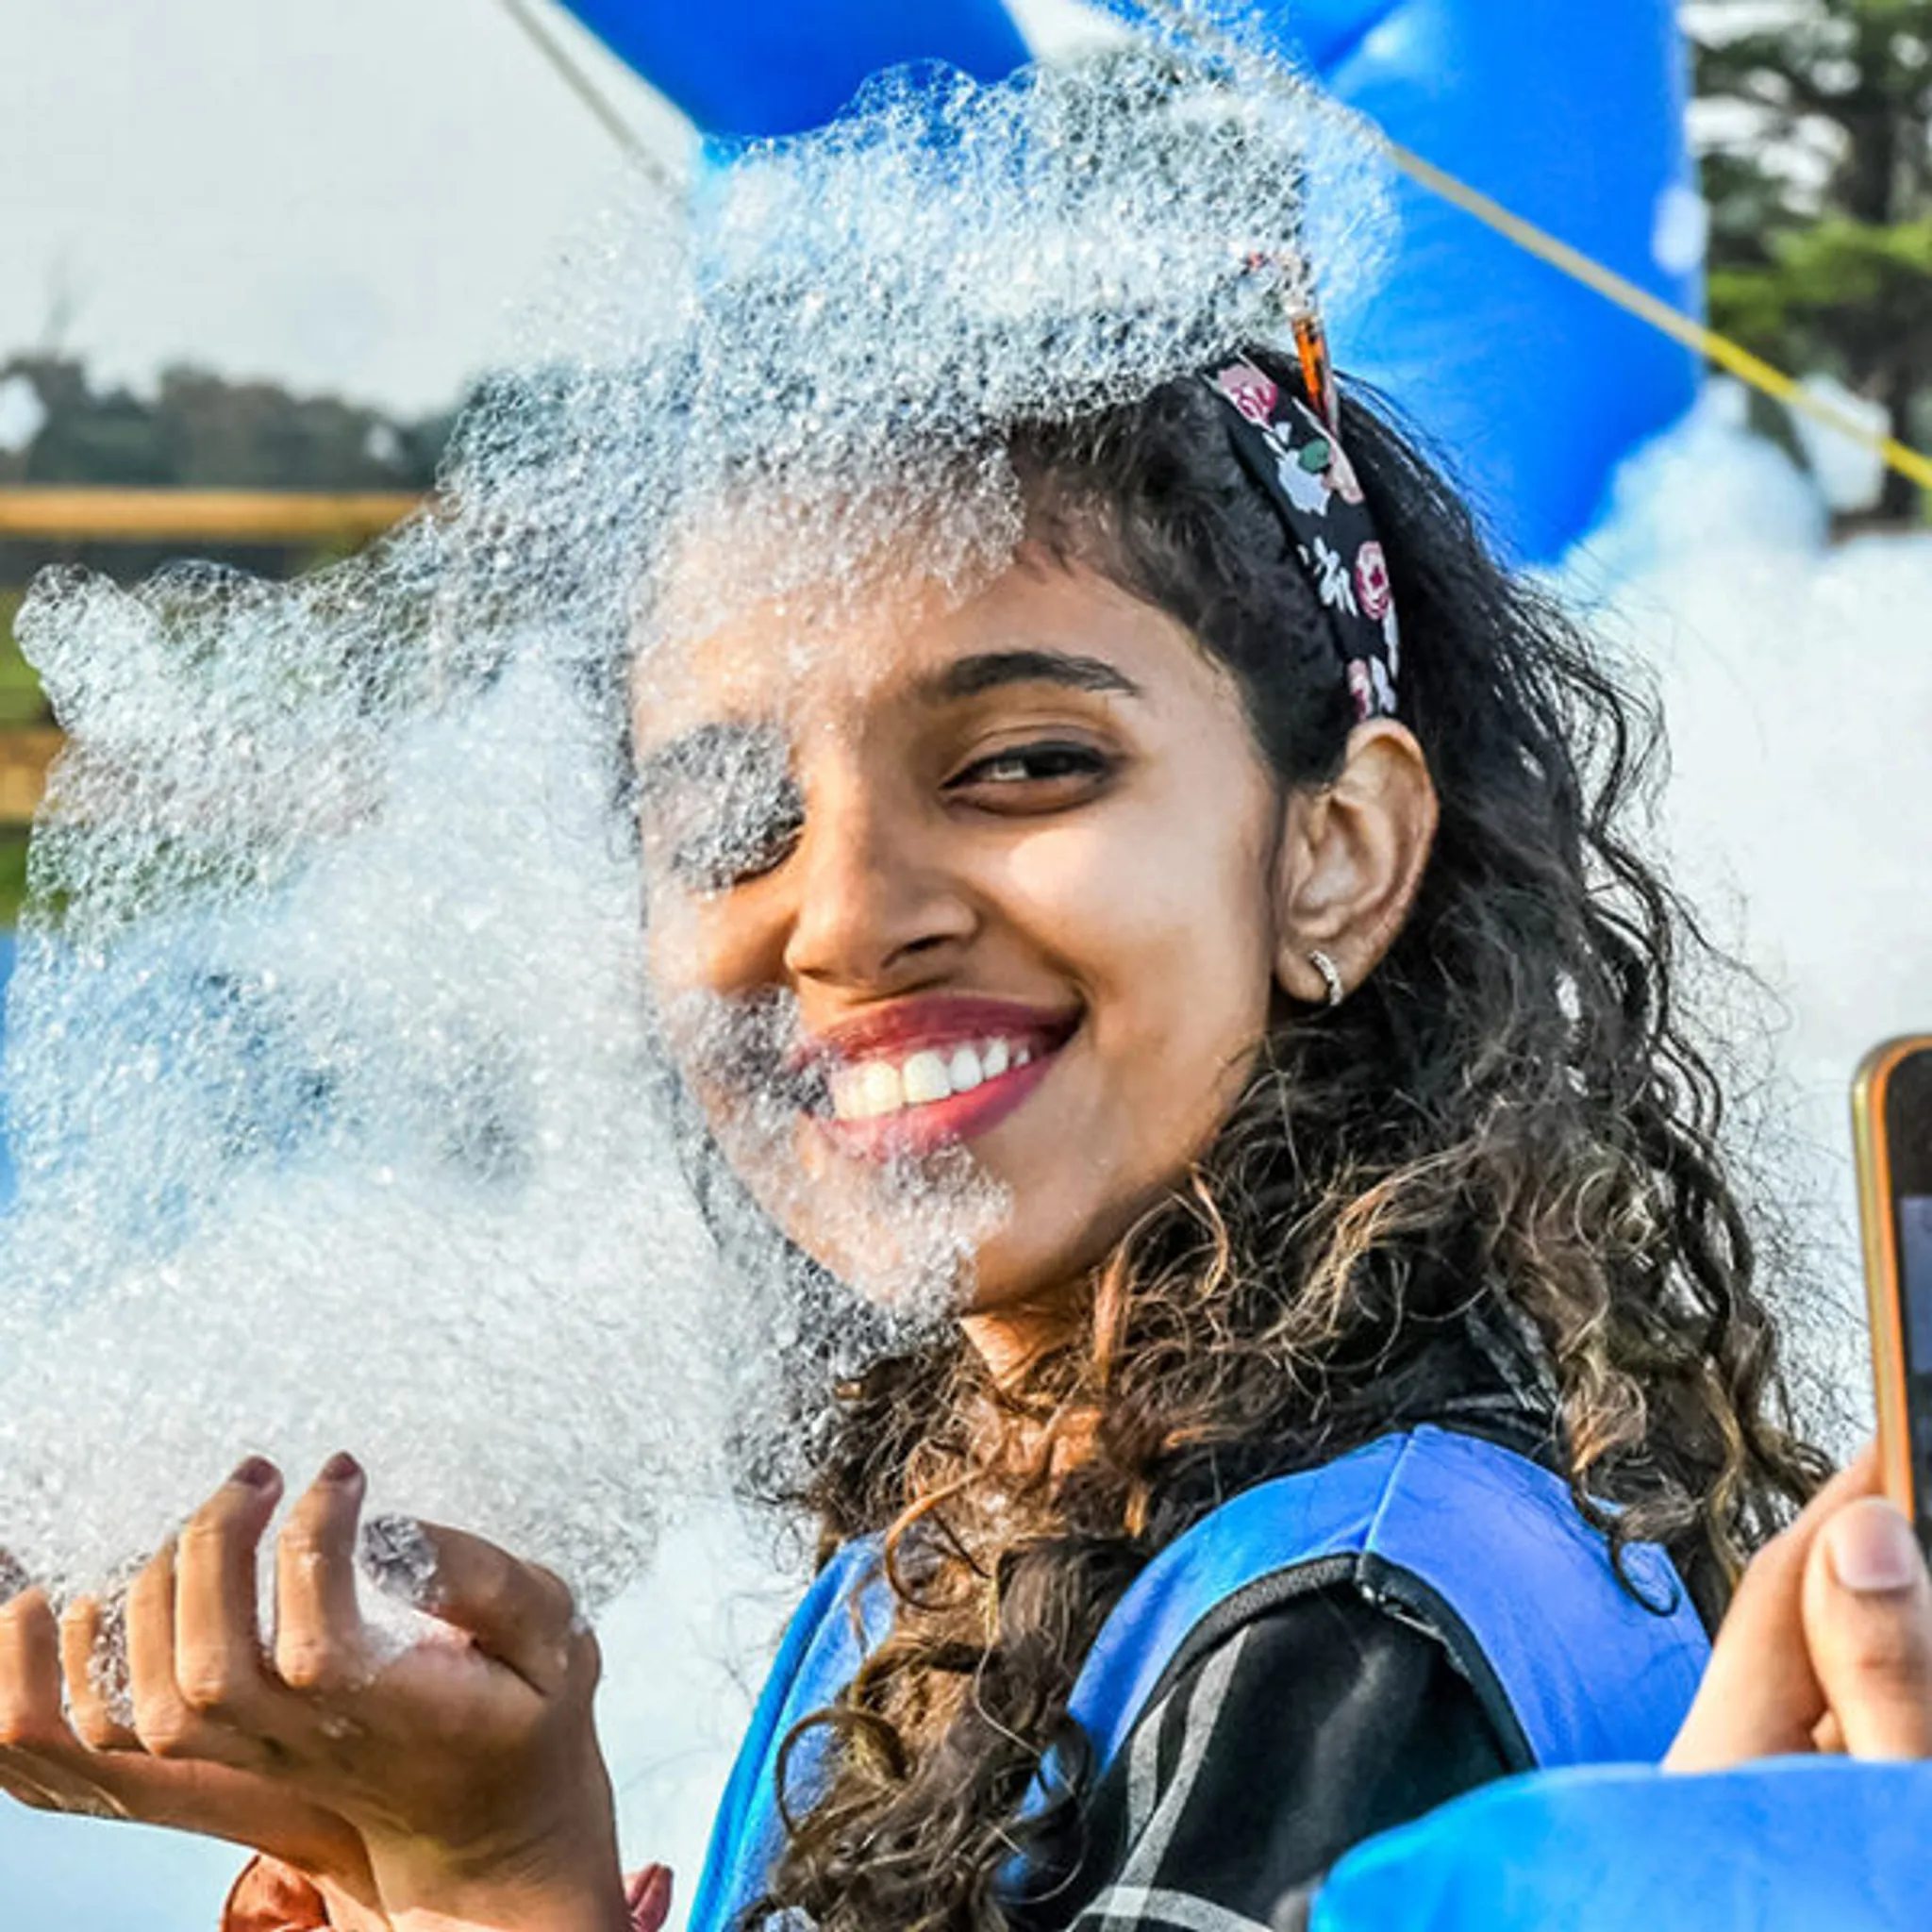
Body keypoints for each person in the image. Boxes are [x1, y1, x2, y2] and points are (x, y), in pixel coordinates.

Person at [2, 44, 1930, 1928]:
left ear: (1332, 846)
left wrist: (491, 1880)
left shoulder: (1341, 1631)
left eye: (1023, 764)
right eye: (733, 819)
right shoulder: (978, 1526)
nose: (843, 917)